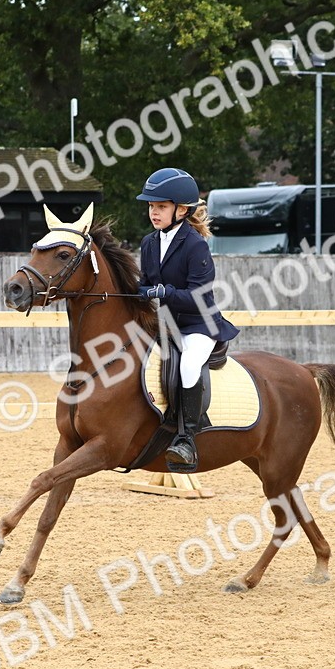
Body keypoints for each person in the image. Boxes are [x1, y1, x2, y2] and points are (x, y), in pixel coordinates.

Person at [136, 167, 240, 472]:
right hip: (166, 321)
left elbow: (198, 295)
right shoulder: (149, 243)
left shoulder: (196, 246)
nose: (154, 212)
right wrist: (139, 292)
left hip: (199, 323)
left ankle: (187, 437)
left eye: (161, 207)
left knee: (188, 364)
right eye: (151, 206)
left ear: (182, 210)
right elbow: (144, 282)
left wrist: (164, 290)